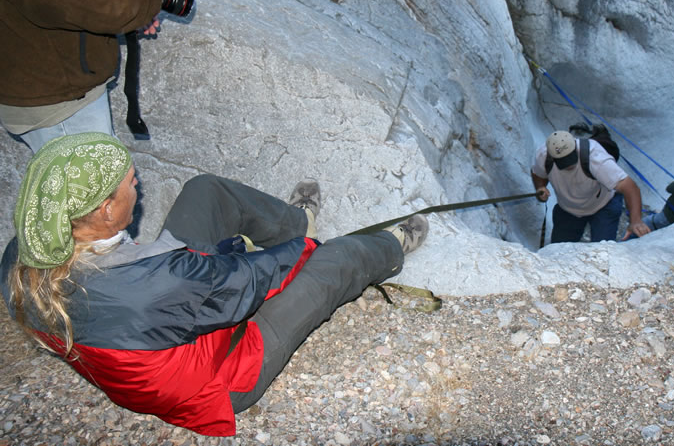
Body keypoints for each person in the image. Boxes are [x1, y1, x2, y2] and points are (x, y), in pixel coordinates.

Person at [0, 132, 429, 436]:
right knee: (334, 259)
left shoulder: (23, 256)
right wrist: (305, 247)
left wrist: (218, 258)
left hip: (163, 333)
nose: (138, 183)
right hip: (220, 376)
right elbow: (255, 279)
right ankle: (390, 247)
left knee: (206, 191)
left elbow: (187, 283)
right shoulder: (160, 280)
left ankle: (297, 220)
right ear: (108, 210)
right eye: (131, 182)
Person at [0, 0, 169, 152]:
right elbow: (84, 0)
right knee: (94, 189)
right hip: (59, 98)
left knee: (80, 186)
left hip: (56, 87)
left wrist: (137, 5)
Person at [531, 130, 651, 243]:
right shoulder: (544, 155)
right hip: (568, 209)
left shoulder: (594, 157)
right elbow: (538, 173)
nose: (568, 165)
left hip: (603, 206)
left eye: (570, 158)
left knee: (604, 251)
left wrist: (635, 221)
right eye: (563, 161)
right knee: (558, 252)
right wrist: (540, 187)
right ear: (553, 157)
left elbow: (629, 187)